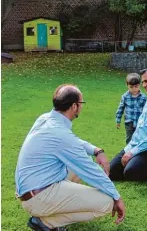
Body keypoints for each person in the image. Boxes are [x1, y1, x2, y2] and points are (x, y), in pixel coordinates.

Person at [15, 84, 125, 231]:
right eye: (81, 103)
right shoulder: (60, 134)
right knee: (106, 203)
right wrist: (117, 197)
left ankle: (49, 215)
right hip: (38, 197)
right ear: (74, 106)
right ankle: (48, 222)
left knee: (74, 168)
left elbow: (72, 141)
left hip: (31, 190)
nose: (82, 107)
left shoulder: (46, 119)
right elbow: (90, 170)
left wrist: (97, 151)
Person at [116, 73, 147, 144]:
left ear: (139, 85)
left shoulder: (143, 97)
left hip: (140, 122)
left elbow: (146, 110)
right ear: (127, 86)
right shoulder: (125, 97)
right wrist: (118, 120)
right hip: (129, 122)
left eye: (136, 86)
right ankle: (128, 152)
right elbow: (120, 109)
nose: (134, 89)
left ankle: (138, 153)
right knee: (129, 139)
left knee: (139, 139)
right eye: (131, 87)